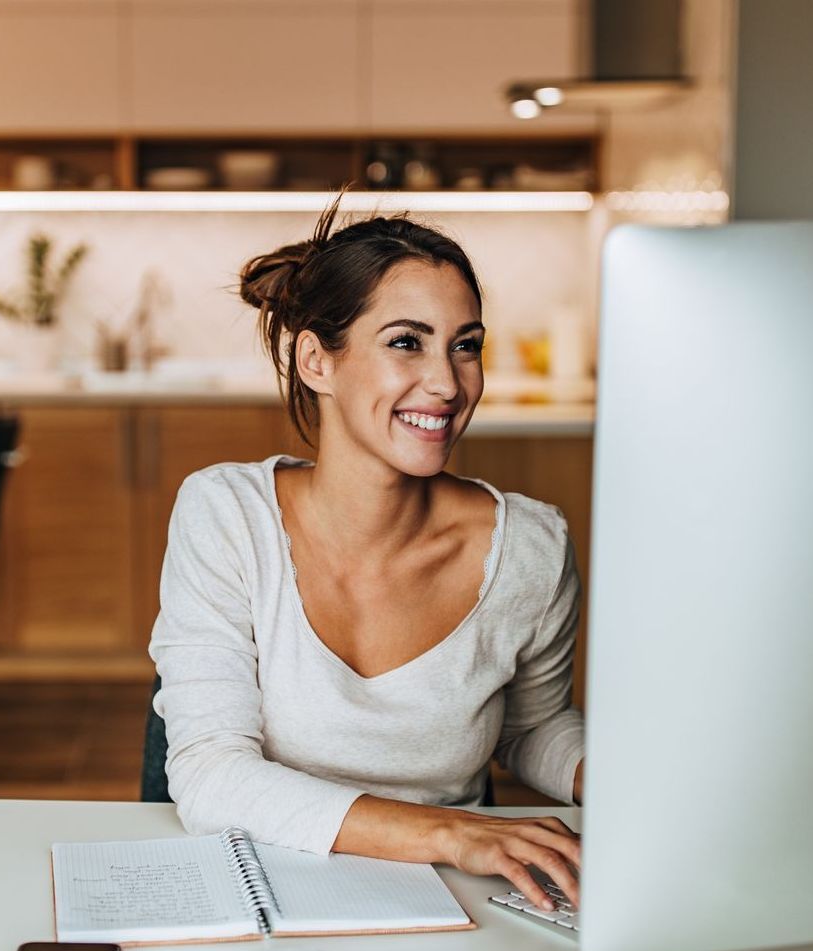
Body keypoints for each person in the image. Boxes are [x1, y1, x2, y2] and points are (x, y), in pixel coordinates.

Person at [149, 200, 585, 911]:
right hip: (264, 885)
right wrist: (448, 832)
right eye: (406, 342)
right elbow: (210, 775)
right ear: (316, 359)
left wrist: (619, 775)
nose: (447, 384)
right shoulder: (228, 516)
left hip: (458, 900)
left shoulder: (531, 548)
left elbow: (530, 725)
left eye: (465, 344)